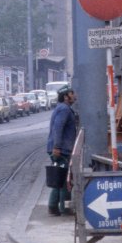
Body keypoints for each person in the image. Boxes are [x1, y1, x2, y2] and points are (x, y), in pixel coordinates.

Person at [46, 85, 78, 216]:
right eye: (72, 93)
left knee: (60, 178)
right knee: (62, 179)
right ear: (65, 96)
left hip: (61, 148)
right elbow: (58, 129)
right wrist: (57, 147)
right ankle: (55, 207)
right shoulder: (64, 109)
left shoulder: (62, 108)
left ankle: (57, 207)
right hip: (61, 150)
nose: (74, 95)